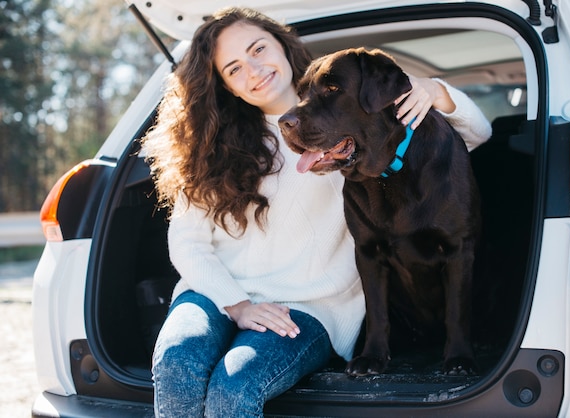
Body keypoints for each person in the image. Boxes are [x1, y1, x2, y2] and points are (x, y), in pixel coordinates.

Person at [141, 6, 492, 418]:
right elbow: (187, 243)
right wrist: (237, 304)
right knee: (177, 362)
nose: (253, 70)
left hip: (308, 308)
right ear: (226, 87)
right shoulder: (207, 148)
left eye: (258, 49)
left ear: (284, 47)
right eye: (234, 69)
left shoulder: (359, 125)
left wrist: (433, 90)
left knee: (234, 386)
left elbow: (474, 133)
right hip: (214, 294)